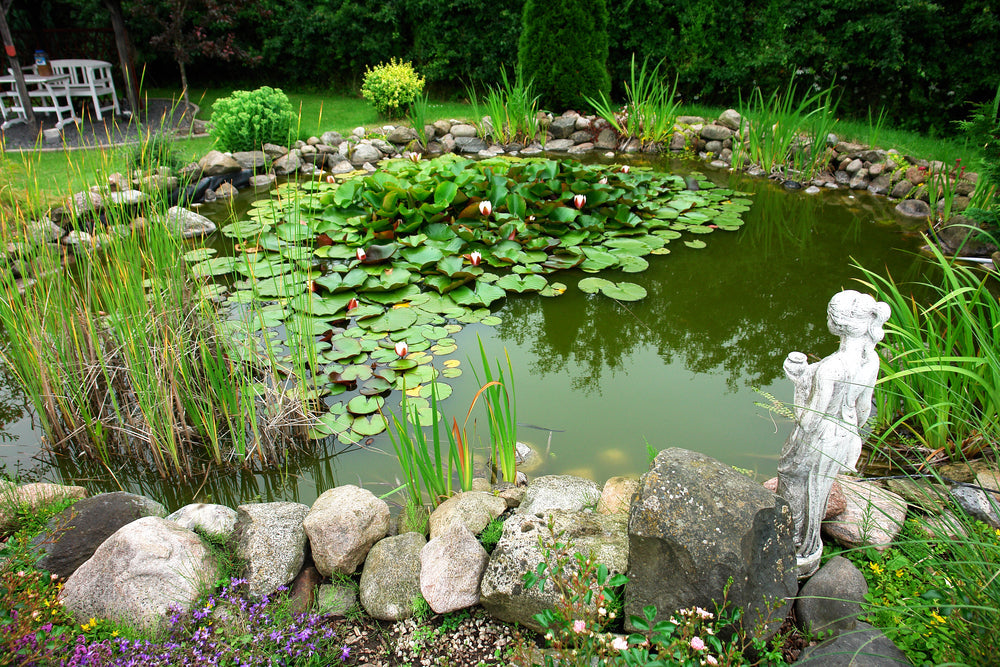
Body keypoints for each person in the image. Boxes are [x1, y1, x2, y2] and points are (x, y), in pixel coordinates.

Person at [777, 290, 891, 577]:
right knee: (820, 489)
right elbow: (863, 409)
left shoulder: (831, 367)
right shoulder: (871, 360)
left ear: (836, 321)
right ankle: (810, 549)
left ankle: (791, 550)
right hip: (845, 434)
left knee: (793, 478)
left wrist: (799, 384)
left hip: (820, 437)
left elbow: (808, 420)